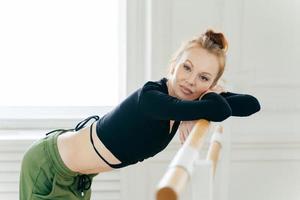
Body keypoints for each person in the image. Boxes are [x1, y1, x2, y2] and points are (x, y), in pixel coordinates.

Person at [19, 29, 261, 199]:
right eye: (187, 67)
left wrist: (210, 96)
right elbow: (218, 109)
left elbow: (251, 104)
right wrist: (206, 97)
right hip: (49, 166)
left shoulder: (187, 101)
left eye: (203, 77)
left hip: (77, 176)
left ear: (211, 84)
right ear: (174, 64)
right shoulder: (151, 97)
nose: (190, 80)